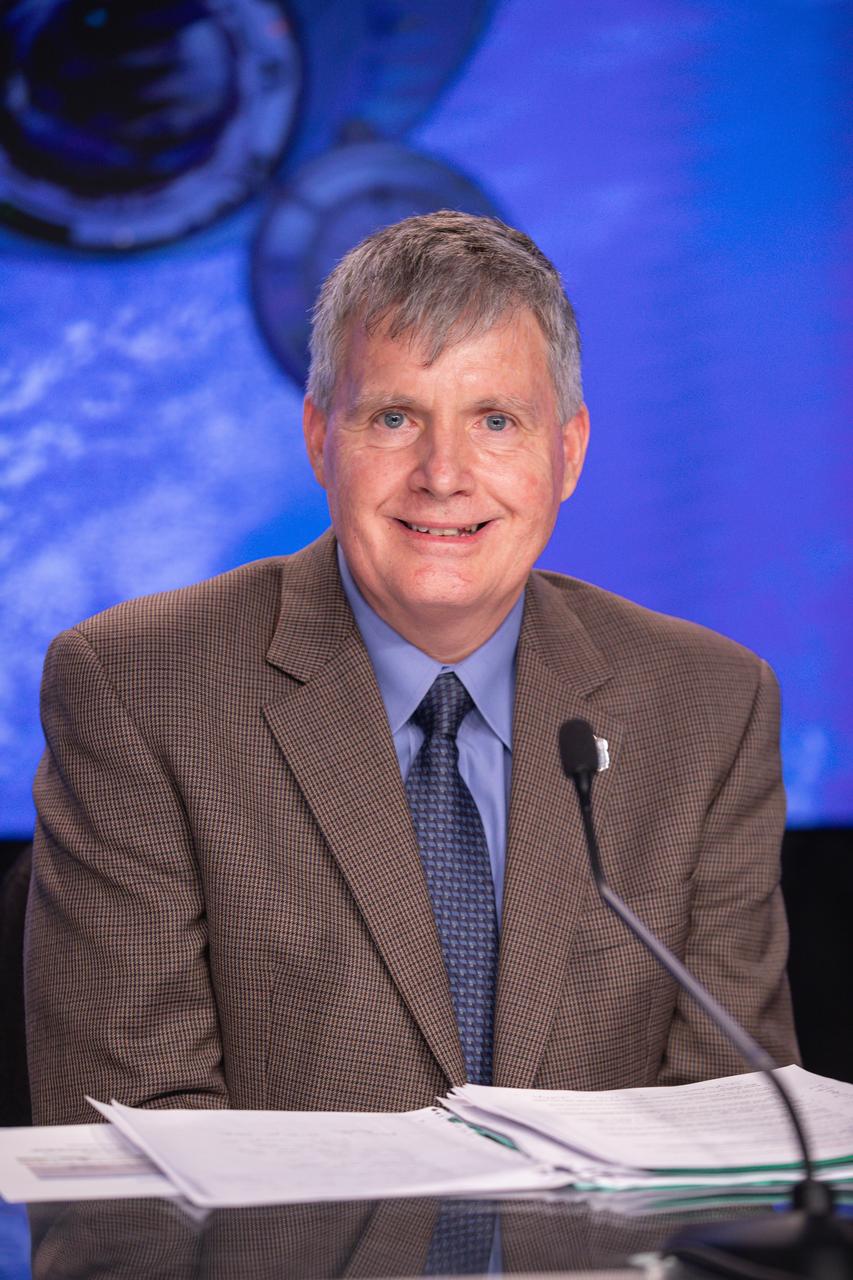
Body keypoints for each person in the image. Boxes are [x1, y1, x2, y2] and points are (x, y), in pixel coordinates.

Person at [25, 211, 798, 1125]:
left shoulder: (707, 705)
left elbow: (733, 1133)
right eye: (394, 417)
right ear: (319, 438)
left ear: (568, 452)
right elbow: (133, 1150)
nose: (443, 473)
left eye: (495, 421)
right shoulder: (138, 689)